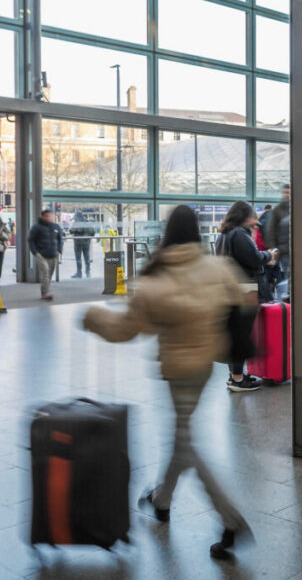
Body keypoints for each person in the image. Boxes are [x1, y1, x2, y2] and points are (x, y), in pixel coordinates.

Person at [83, 205, 254, 561]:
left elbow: (126, 330)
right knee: (182, 436)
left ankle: (231, 521)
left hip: (178, 370)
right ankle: (161, 500)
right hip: (206, 364)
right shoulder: (216, 267)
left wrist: (93, 318)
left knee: (187, 444)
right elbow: (243, 298)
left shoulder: (154, 279)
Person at [220, 200, 278, 392]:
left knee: (235, 332)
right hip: (245, 289)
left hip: (231, 288)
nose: (255, 221)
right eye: (252, 216)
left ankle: (234, 375)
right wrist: (268, 255)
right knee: (241, 334)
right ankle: (237, 378)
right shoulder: (240, 234)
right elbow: (252, 259)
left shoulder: (225, 234)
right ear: (244, 216)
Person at [28, 209, 64, 300]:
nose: (51, 217)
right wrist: (35, 252)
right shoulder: (36, 227)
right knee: (45, 273)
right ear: (43, 216)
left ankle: (45, 291)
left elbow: (60, 240)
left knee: (49, 274)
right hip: (41, 255)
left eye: (52, 216)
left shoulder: (56, 227)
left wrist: (59, 250)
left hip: (53, 254)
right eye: (49, 216)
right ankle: (46, 293)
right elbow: (31, 240)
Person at [70, 214, 96, 279]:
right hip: (86, 243)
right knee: (87, 258)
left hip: (78, 243)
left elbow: (71, 231)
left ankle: (79, 273)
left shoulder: (76, 223)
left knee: (78, 258)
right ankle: (88, 273)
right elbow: (93, 233)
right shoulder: (88, 223)